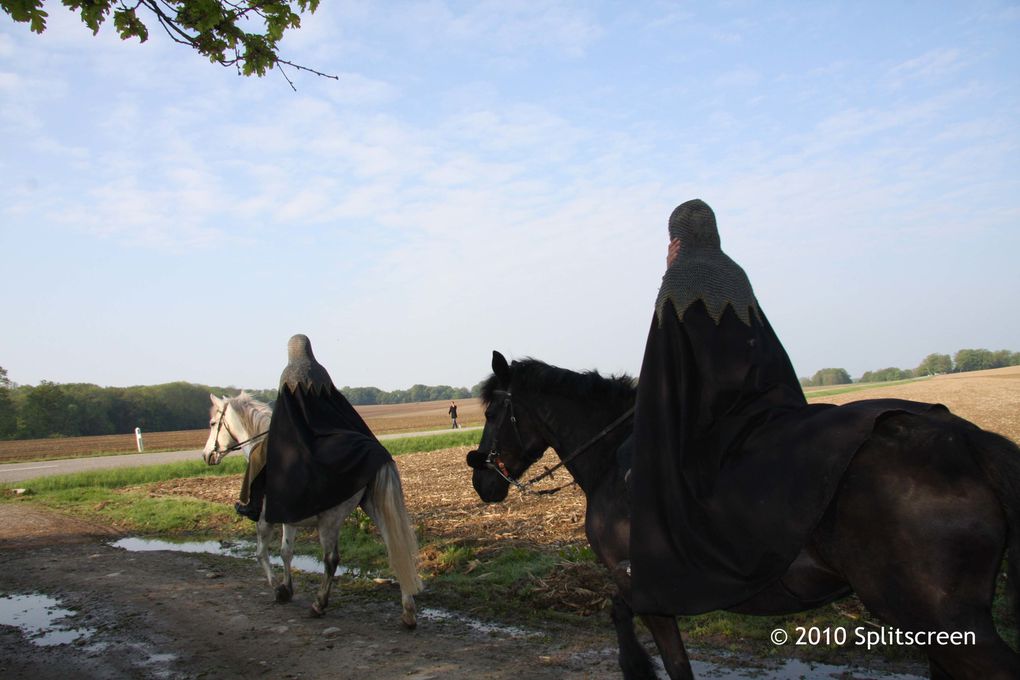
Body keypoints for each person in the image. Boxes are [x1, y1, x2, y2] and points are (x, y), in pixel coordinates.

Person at [628, 199, 934, 616]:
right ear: (714, 234)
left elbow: (671, 364)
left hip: (719, 418)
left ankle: (670, 571)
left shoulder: (679, 279)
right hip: (765, 404)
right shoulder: (734, 275)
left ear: (675, 240)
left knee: (663, 473)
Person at [236, 334, 393, 524]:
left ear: (291, 351)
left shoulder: (288, 373)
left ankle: (252, 505)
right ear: (309, 349)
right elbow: (335, 403)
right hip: (328, 428)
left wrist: (278, 429)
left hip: (300, 431)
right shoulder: (321, 371)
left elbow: (286, 409)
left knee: (256, 456)